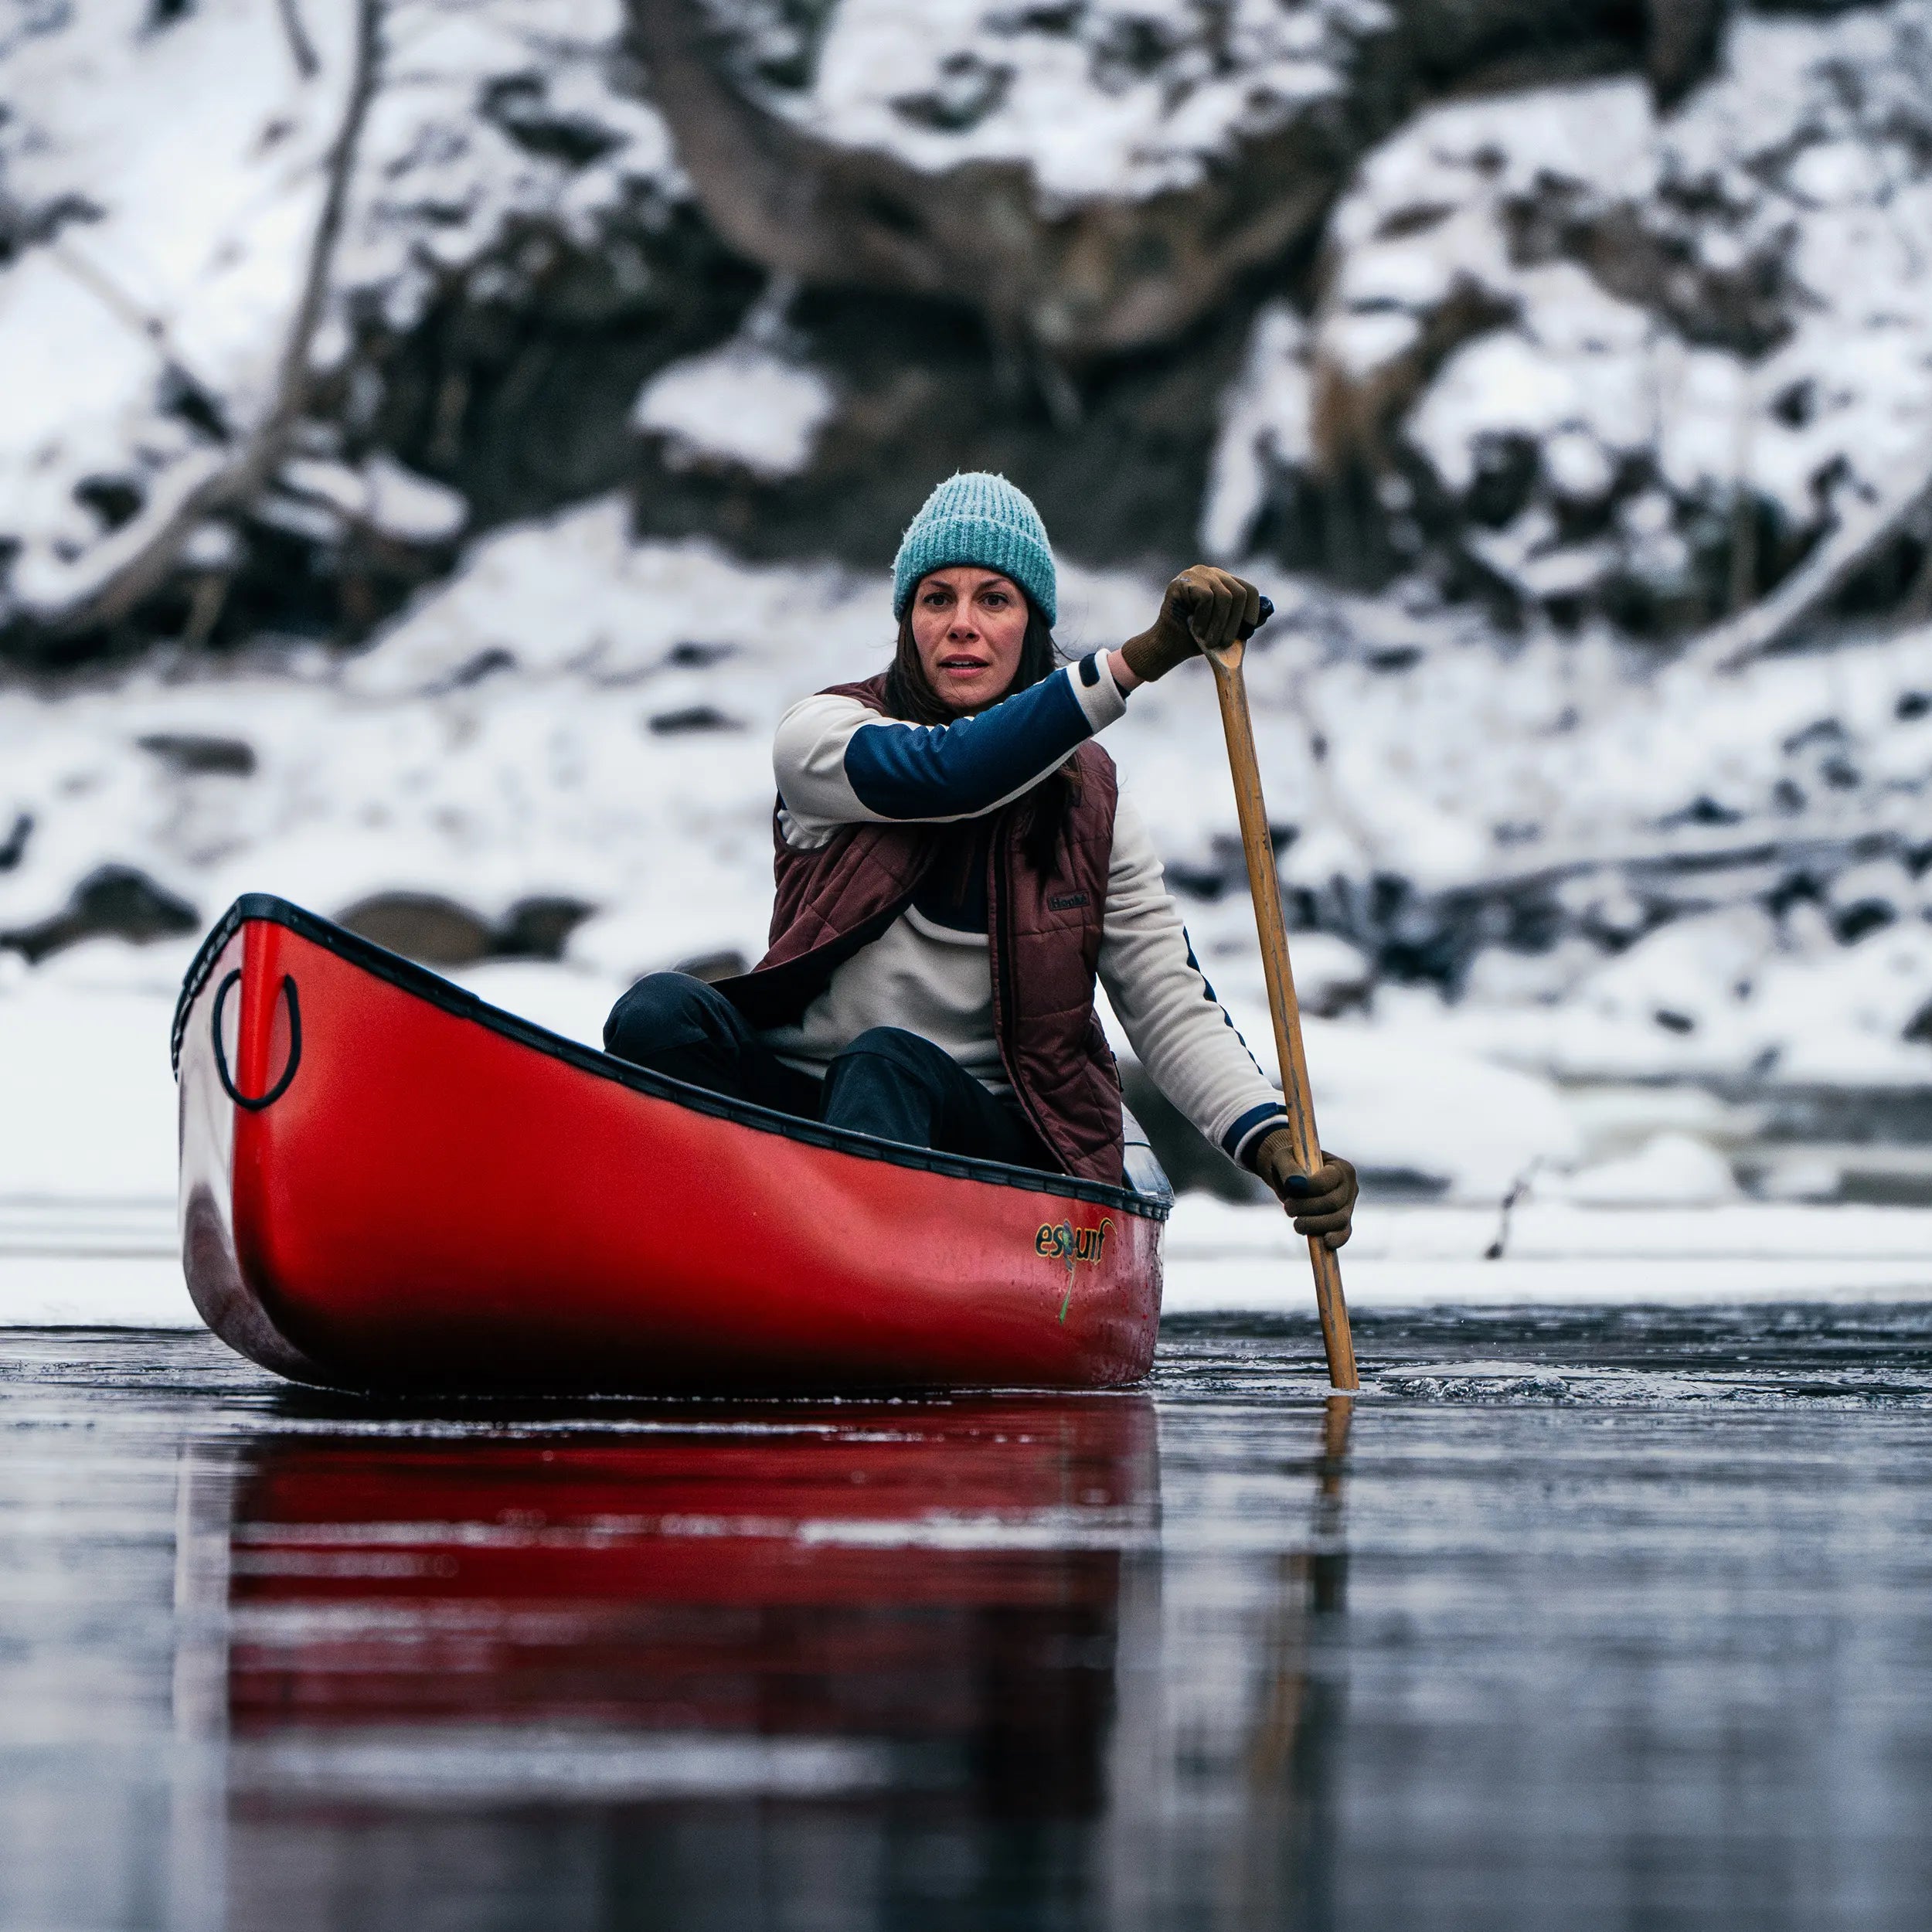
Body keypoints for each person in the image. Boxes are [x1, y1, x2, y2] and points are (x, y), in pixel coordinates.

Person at [604, 472, 1357, 1249]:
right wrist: (1140, 660)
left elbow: (1168, 1007)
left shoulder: (1093, 808)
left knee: (887, 1063)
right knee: (659, 1013)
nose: (962, 624)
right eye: (937, 600)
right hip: (801, 1118)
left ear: (1032, 627)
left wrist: (1275, 1149)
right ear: (909, 625)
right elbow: (952, 773)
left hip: (998, 1145)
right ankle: (690, 1247)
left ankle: (845, 1278)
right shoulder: (820, 736)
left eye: (993, 600)